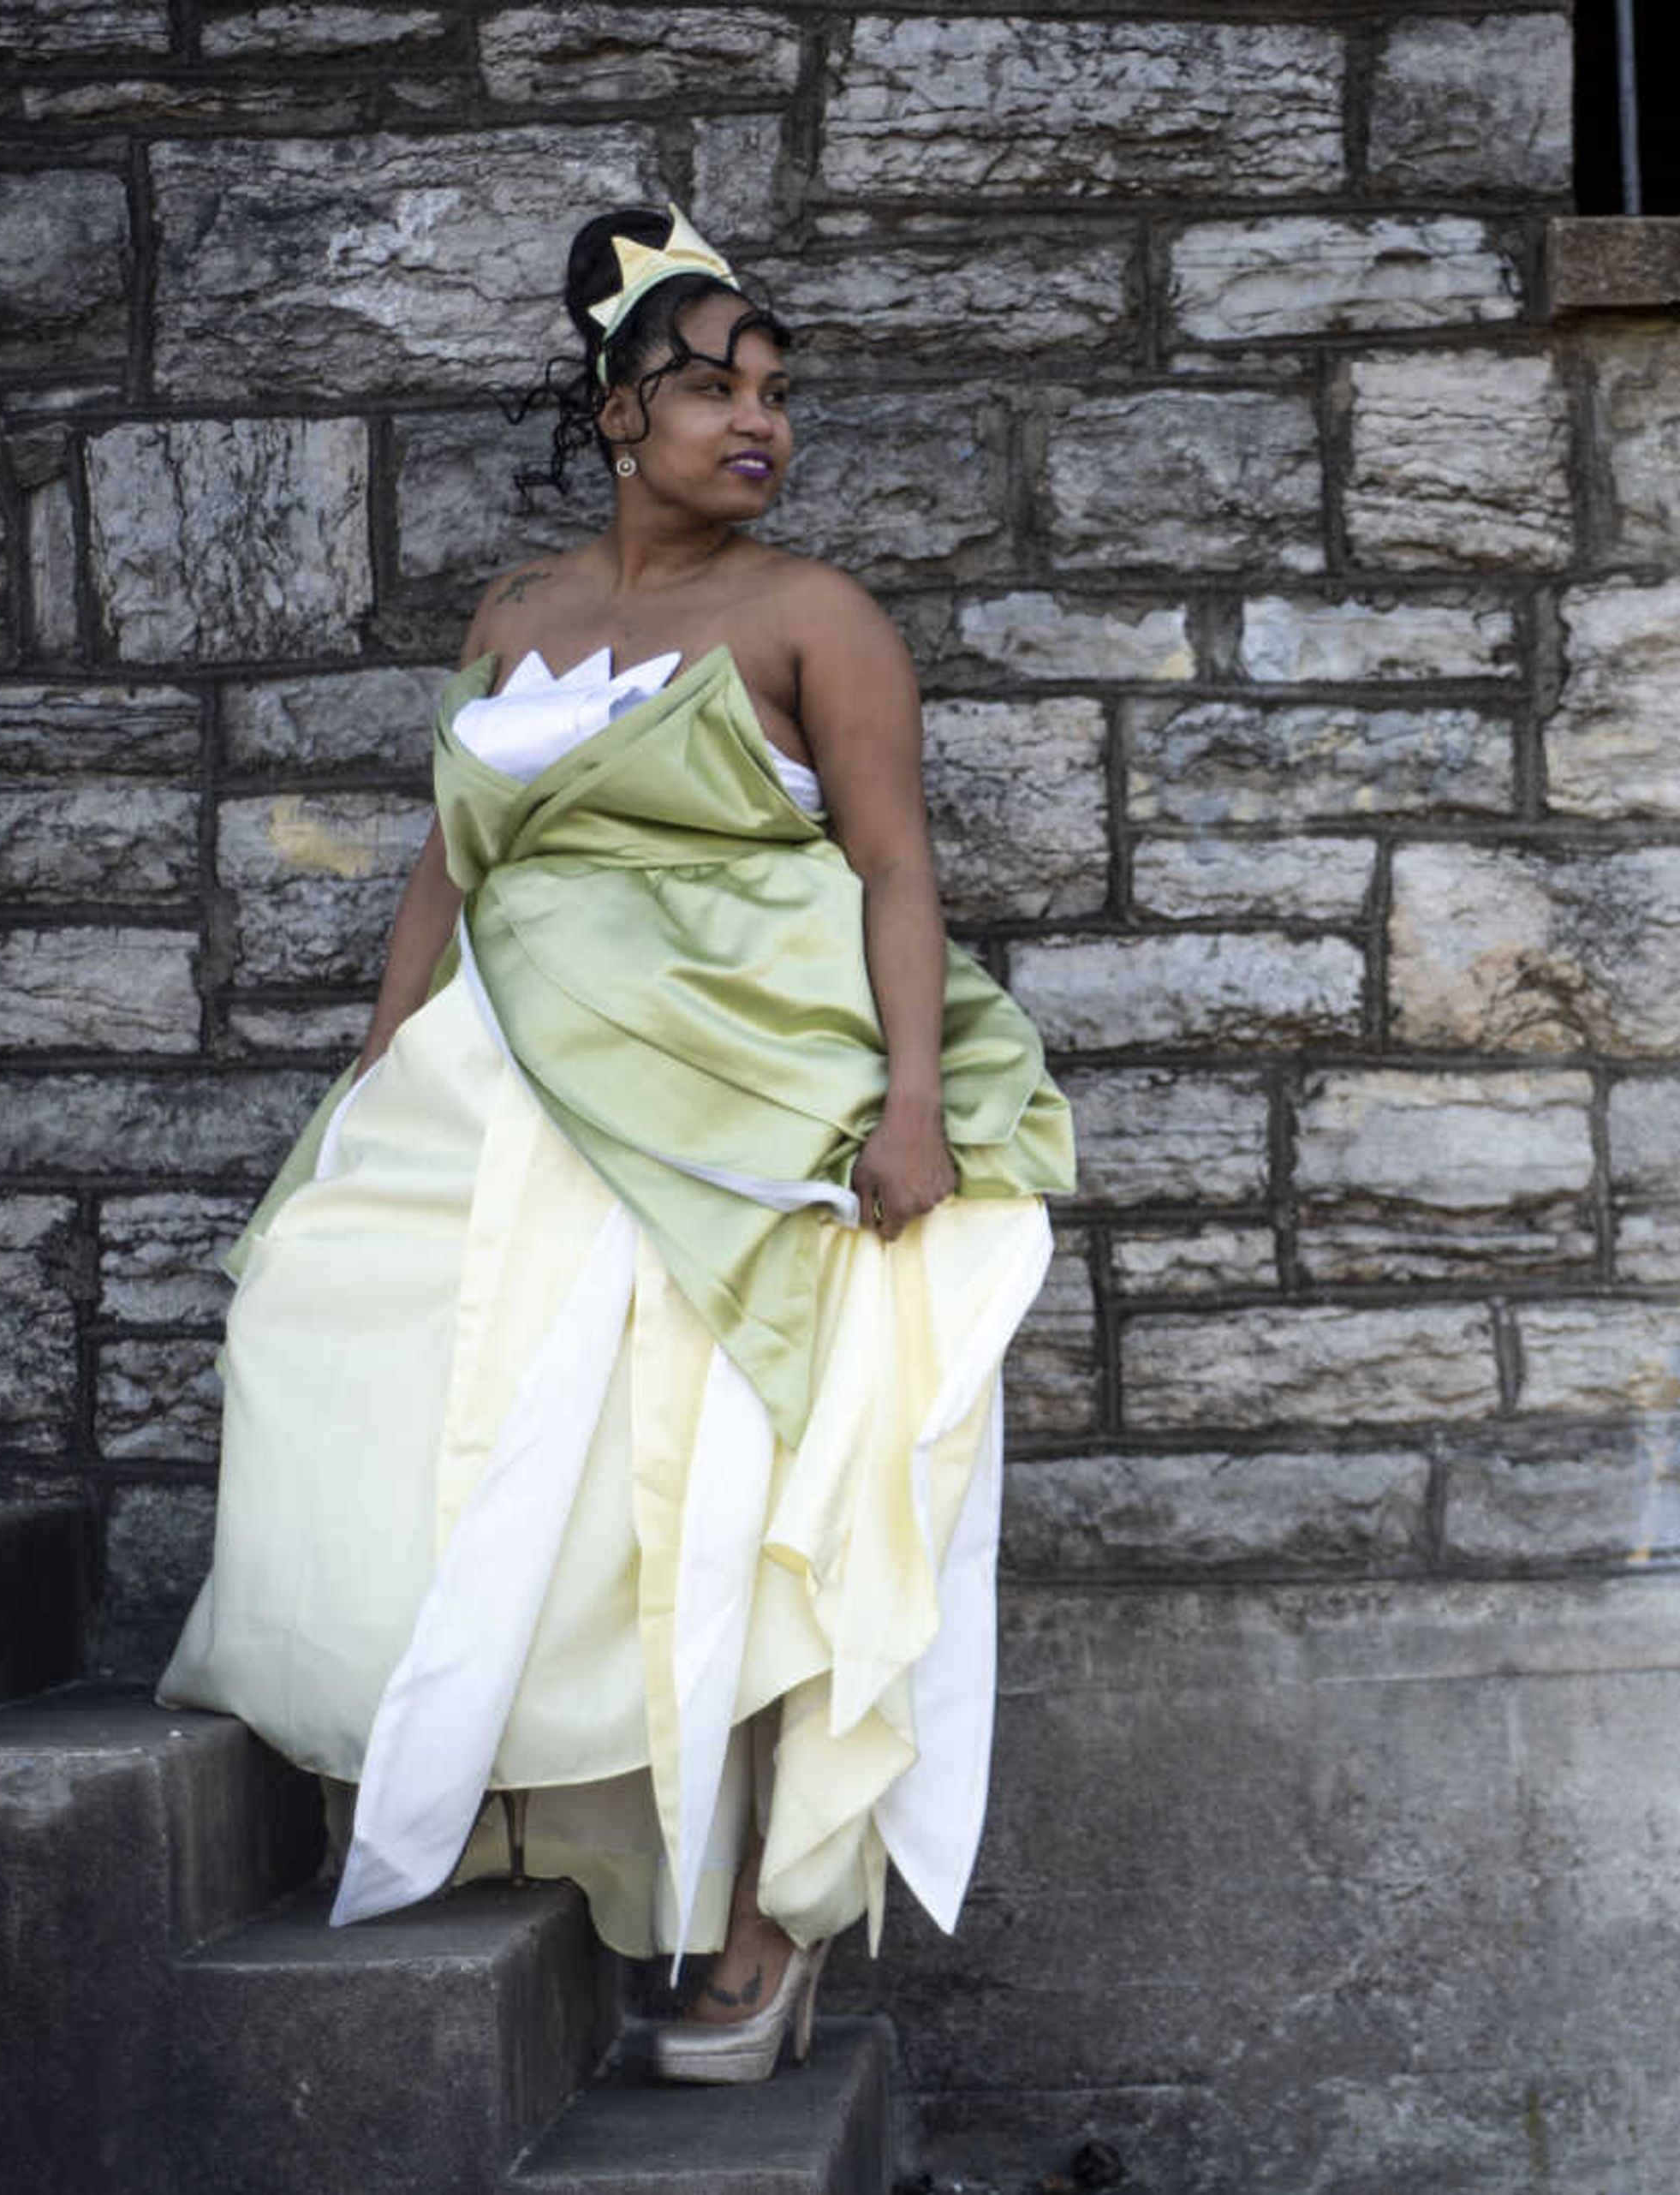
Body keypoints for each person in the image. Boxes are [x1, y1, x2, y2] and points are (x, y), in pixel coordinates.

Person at [158, 203, 1075, 2085]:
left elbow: (897, 868)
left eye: (777, 394)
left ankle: (764, 1914)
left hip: (737, 1087)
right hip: (506, 1084)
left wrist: (910, 1101)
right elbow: (451, 861)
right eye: (713, 388)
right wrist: (376, 1060)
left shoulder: (817, 618)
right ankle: (478, 1787)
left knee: (710, 1476)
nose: (759, 422)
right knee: (379, 1367)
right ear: (612, 415)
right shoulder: (518, 616)